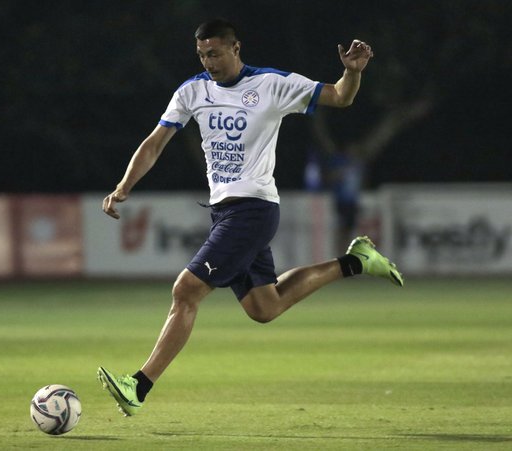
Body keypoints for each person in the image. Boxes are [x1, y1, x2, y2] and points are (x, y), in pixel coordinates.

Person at [98, 18, 403, 416]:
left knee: (185, 291)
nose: (209, 62)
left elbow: (341, 97)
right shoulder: (192, 91)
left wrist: (351, 72)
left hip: (254, 209)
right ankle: (356, 261)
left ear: (236, 48)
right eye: (202, 54)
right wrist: (124, 186)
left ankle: (137, 387)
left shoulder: (271, 84)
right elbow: (155, 143)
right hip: (225, 213)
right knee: (265, 307)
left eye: (215, 53)